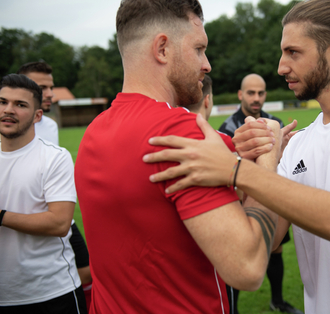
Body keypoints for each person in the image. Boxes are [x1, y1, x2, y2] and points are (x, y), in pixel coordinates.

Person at [143, 1, 330, 313]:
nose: (281, 66)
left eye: (293, 52)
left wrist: (235, 170)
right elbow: (270, 240)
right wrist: (256, 158)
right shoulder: (298, 144)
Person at [74, 1, 287, 313]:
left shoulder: (93, 132)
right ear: (162, 48)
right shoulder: (180, 131)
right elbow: (249, 267)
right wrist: (269, 155)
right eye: (199, 49)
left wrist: (236, 157)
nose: (207, 64)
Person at [0, 74, 87, 313]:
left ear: (38, 116)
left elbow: (59, 223)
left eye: (20, 105)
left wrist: (2, 216)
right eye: (2, 102)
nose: (8, 110)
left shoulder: (55, 158)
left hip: (51, 292)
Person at [219, 73, 300, 314]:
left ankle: (277, 300)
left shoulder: (273, 122)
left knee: (275, 248)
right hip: (239, 202)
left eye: (261, 93)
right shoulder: (228, 127)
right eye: (251, 93)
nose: (257, 98)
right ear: (240, 94)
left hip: (272, 198)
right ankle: (233, 308)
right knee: (239, 256)